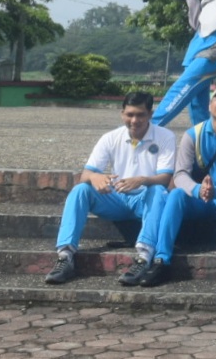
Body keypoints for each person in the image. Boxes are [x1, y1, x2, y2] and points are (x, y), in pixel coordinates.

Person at [127, 84, 216, 289]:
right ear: (210, 105)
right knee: (176, 194)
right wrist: (197, 190)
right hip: (197, 198)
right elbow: (180, 173)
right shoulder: (192, 135)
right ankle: (162, 260)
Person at [44, 92, 175, 285]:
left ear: (150, 115)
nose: (134, 120)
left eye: (140, 115)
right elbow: (86, 174)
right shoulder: (110, 138)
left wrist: (142, 180)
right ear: (122, 113)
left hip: (145, 198)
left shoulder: (165, 136)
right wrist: (97, 177)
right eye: (129, 114)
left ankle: (144, 257)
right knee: (80, 190)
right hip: (117, 198)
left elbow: (165, 178)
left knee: (157, 191)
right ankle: (65, 256)